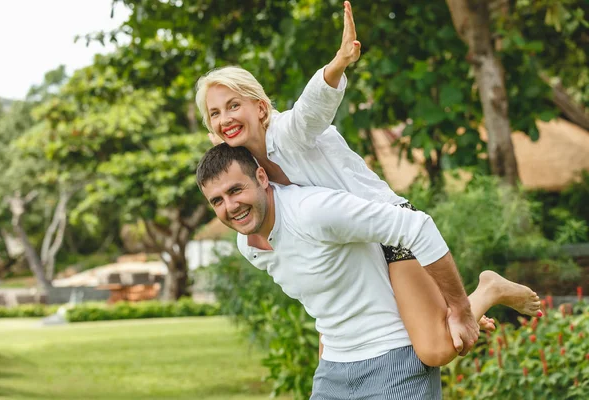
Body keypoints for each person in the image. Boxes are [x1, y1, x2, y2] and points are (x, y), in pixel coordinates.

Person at [194, 1, 542, 360]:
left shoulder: (288, 133)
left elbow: (312, 110)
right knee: (407, 331)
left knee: (435, 349)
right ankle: (454, 309)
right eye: (215, 113)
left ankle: (489, 290)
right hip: (352, 247)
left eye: (233, 105)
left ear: (260, 108)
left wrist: (338, 63)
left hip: (388, 227)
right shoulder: (245, 170)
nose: (225, 118)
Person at [196, 143, 541, 399]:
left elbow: (417, 228)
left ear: (261, 178)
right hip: (334, 370)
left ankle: (486, 291)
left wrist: (461, 309)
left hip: (394, 358)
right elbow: (323, 296)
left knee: (437, 348)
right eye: (217, 201)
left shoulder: (314, 211)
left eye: (235, 190)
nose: (230, 207)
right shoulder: (249, 245)